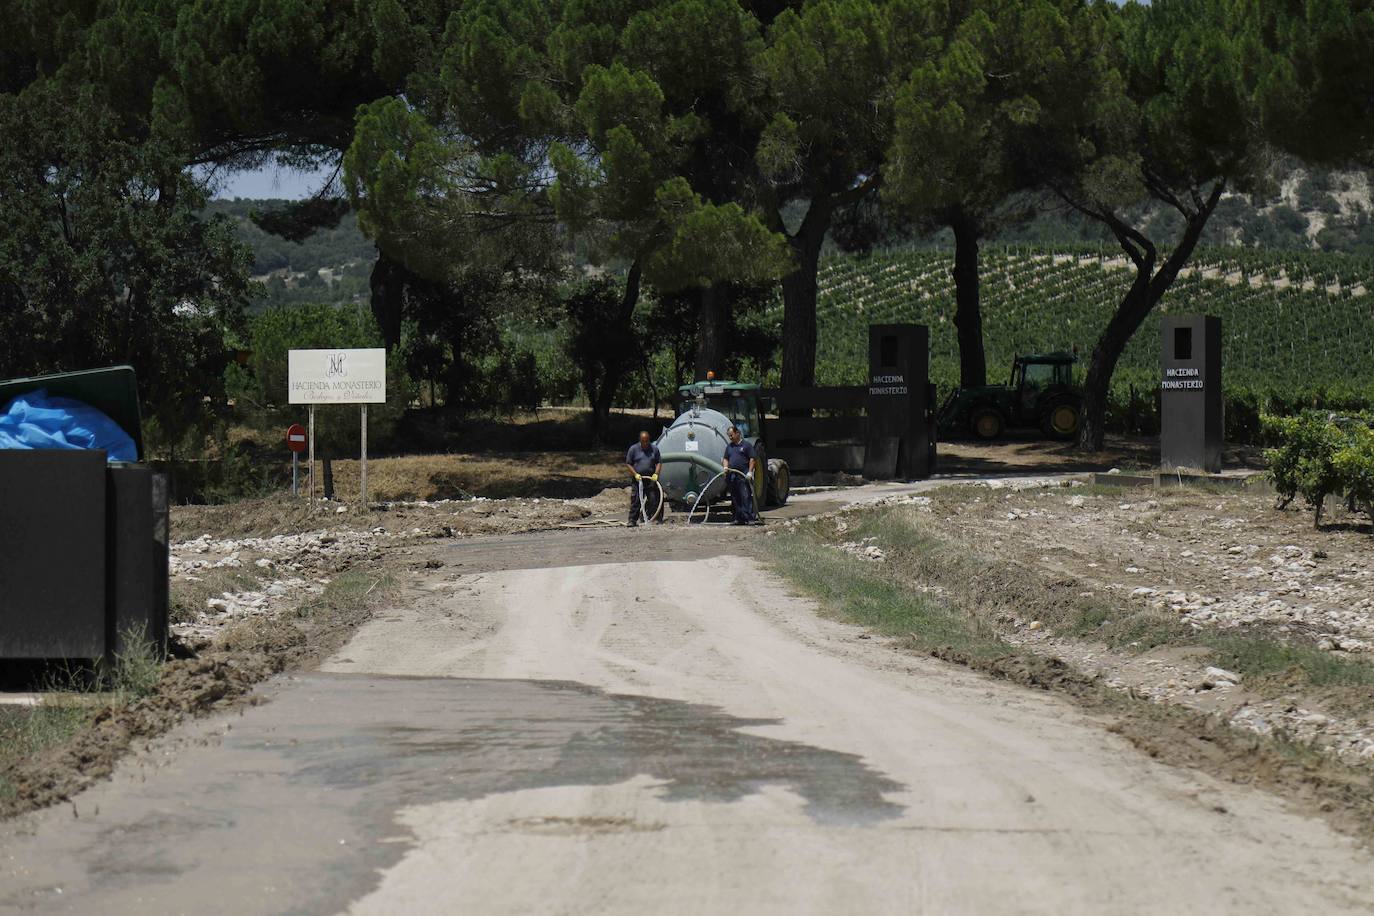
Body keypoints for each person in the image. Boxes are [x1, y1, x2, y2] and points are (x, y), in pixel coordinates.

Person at [722, 425, 760, 526]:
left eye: (731, 435)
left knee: (745, 496)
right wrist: (725, 468)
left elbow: (752, 458)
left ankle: (750, 518)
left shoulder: (746, 445)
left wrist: (750, 472)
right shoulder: (729, 447)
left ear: (737, 433)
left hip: (743, 474)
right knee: (735, 497)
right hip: (732, 475)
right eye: (729, 436)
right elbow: (726, 458)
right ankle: (737, 518)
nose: (730, 437)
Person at [625, 430, 662, 526]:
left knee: (654, 499)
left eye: (647, 441)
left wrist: (656, 474)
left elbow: (658, 462)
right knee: (636, 500)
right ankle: (632, 520)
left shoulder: (654, 449)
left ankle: (656, 518)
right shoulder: (633, 449)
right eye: (643, 441)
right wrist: (635, 474)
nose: (645, 443)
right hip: (638, 480)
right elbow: (628, 464)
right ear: (640, 441)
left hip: (651, 479)